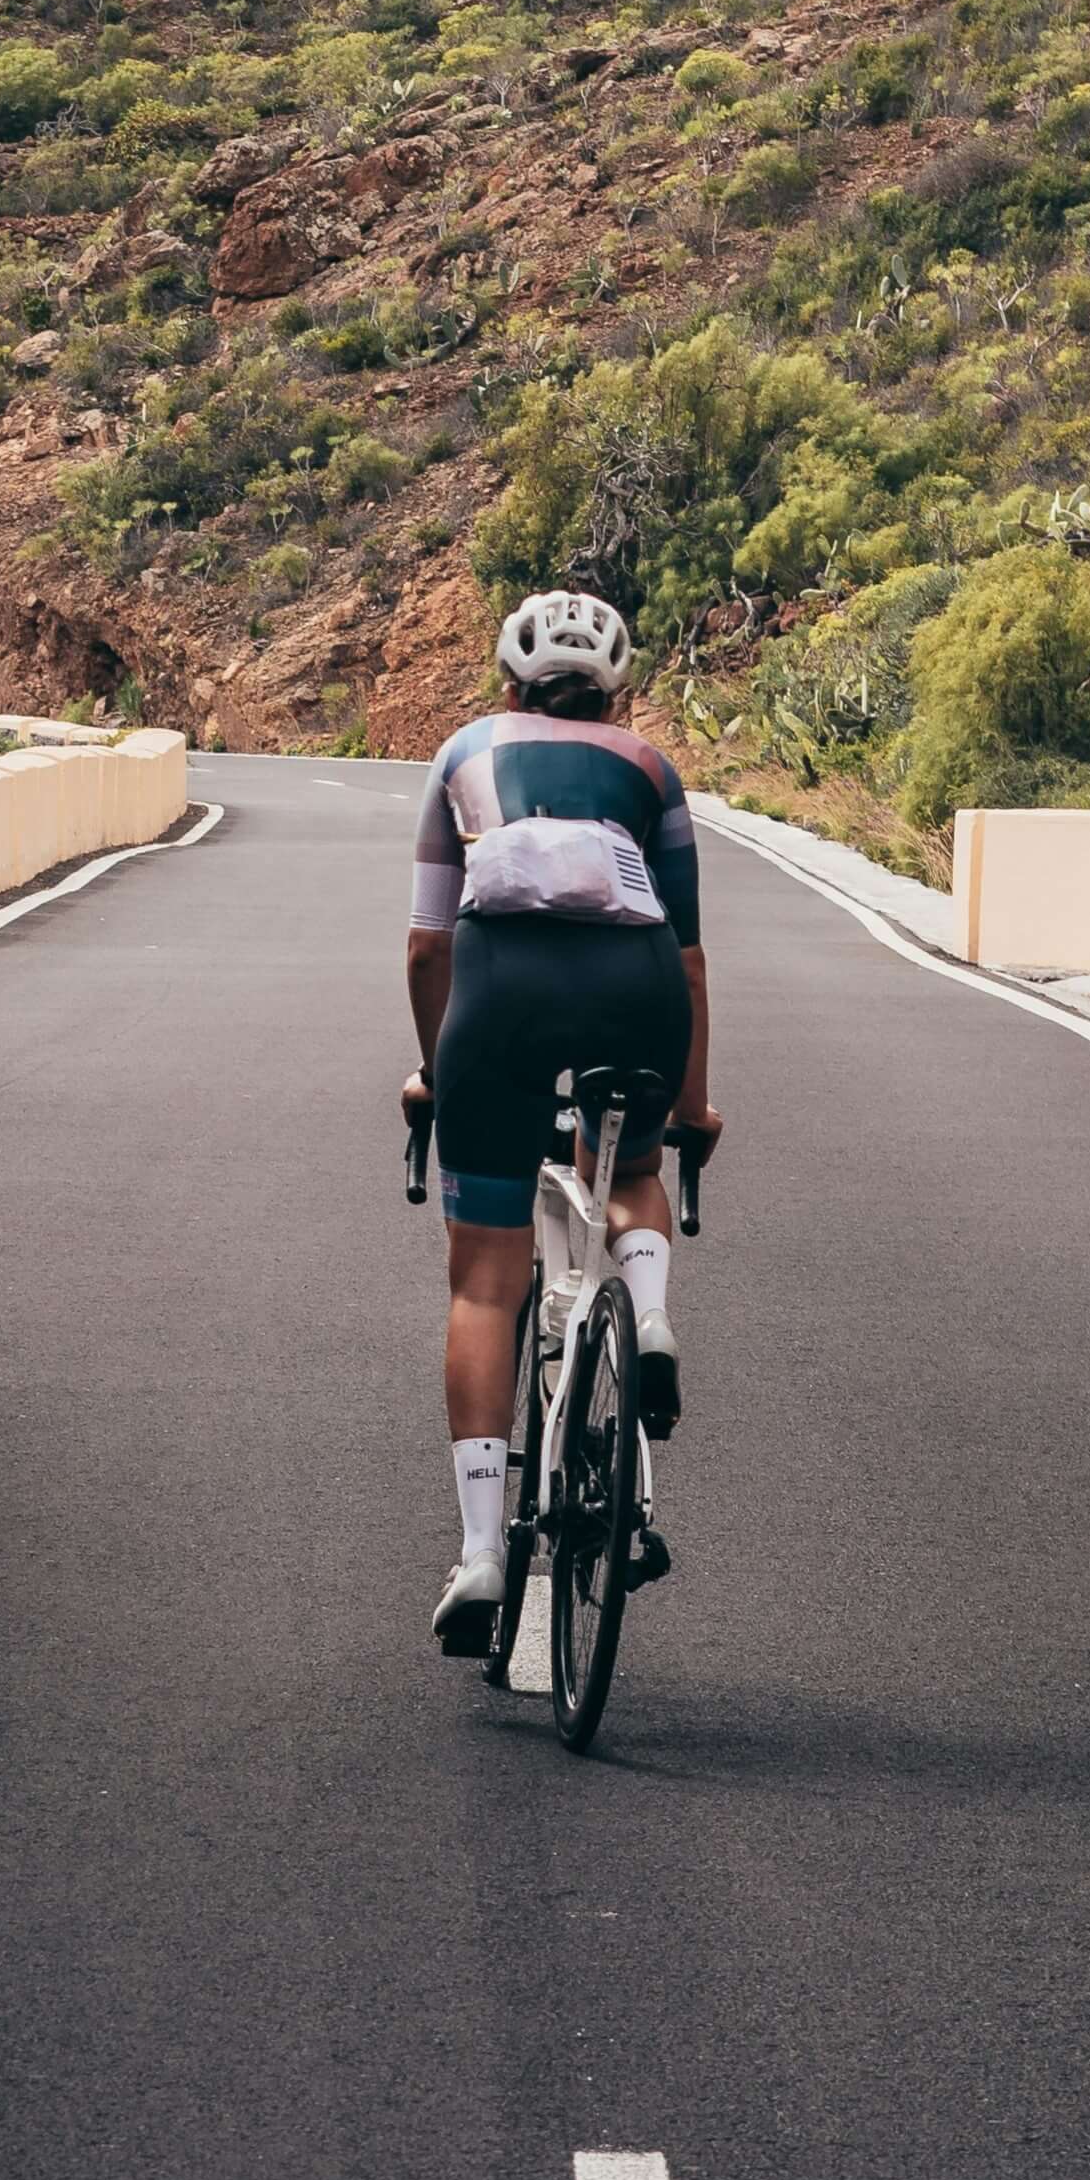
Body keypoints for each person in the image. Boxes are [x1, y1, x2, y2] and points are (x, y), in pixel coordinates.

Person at [406, 585, 718, 1659]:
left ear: (509, 676)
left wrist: (433, 1073)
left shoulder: (460, 754)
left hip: (496, 1001)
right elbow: (685, 955)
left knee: (484, 1280)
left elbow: (426, 945)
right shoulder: (649, 770)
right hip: (634, 995)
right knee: (629, 1168)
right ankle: (651, 1311)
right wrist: (691, 1105)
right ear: (617, 687)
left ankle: (486, 1547)